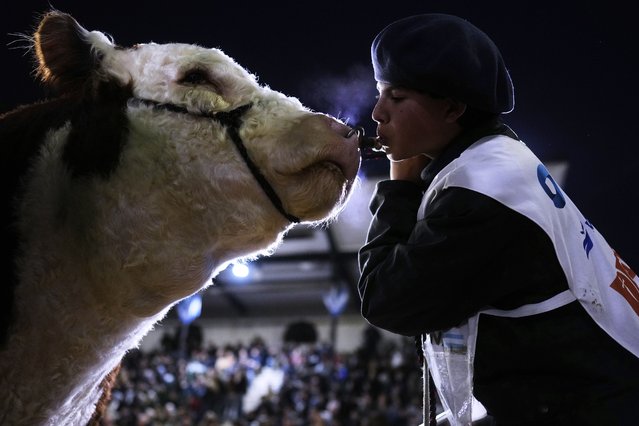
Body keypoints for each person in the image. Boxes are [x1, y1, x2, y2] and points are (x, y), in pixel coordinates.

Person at [357, 13, 639, 426]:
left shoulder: (482, 193)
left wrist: (400, 183)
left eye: (396, 97)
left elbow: (385, 300)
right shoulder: (494, 160)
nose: (378, 112)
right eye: (379, 93)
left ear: (452, 107)